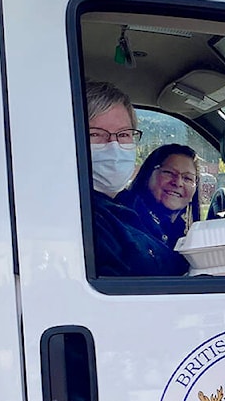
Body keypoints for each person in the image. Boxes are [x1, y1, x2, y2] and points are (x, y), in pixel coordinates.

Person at [86, 81, 189, 277]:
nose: (114, 145)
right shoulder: (86, 222)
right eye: (95, 134)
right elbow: (118, 299)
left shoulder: (129, 204)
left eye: (124, 134)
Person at [118, 144, 201, 251]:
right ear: (147, 176)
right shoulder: (127, 224)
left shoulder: (183, 232)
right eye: (169, 173)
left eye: (188, 178)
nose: (178, 183)